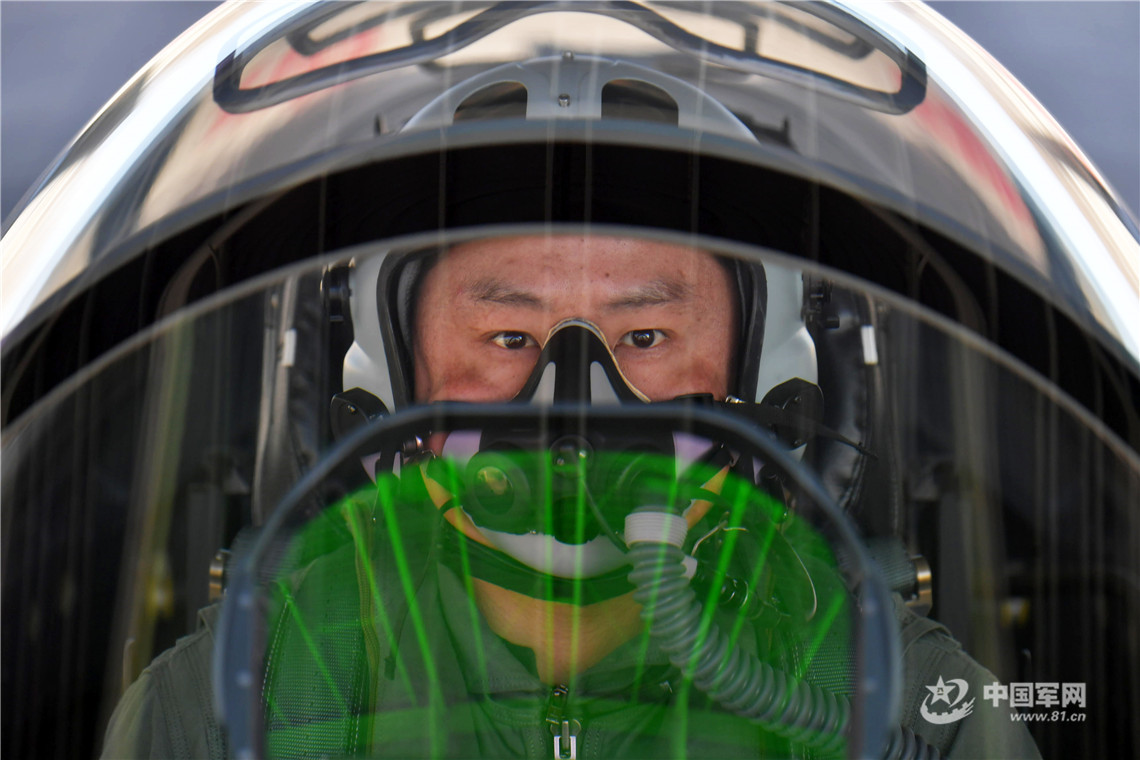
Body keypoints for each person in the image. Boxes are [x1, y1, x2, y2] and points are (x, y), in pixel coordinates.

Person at [102, 234, 1040, 759]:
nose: (574, 405)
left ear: (762, 385)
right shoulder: (229, 708)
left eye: (646, 338)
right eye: (509, 338)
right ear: (392, 386)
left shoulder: (925, 714)